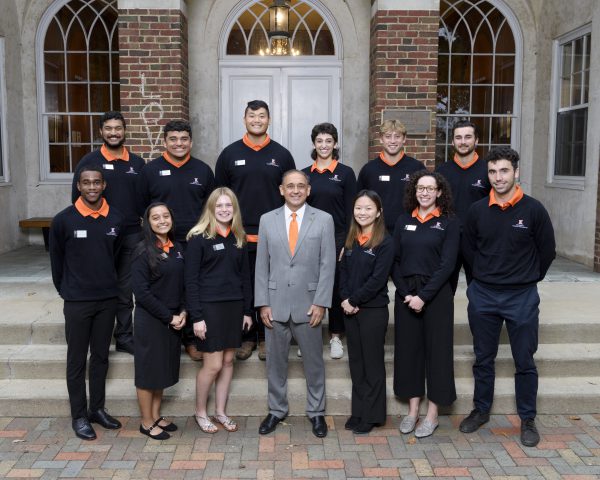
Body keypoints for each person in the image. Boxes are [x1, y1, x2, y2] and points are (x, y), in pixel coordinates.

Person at [459, 147, 556, 448]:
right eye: (492, 172)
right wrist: (481, 281)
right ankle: (481, 410)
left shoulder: (533, 210)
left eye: (503, 171)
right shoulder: (477, 210)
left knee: (524, 360)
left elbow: (547, 251)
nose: (498, 177)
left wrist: (526, 278)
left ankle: (527, 418)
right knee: (483, 357)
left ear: (516, 172)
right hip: (484, 295)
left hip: (521, 297)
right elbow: (469, 250)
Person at [254, 169, 335, 438]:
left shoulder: (323, 220)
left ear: (308, 190)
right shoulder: (267, 220)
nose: (296, 190)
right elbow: (261, 265)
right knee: (275, 363)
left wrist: (322, 302)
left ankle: (316, 412)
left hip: (309, 304)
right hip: (274, 304)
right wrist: (262, 303)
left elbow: (327, 265)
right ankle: (276, 410)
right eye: (291, 186)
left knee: (314, 363)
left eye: (301, 186)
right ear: (281, 190)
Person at [215, 100, 296, 362]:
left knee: (270, 288)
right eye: (252, 116)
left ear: (269, 120)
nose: (257, 120)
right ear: (244, 118)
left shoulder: (282, 155)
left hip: (274, 235)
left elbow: (292, 195)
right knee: (243, 286)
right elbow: (220, 196)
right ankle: (246, 338)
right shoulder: (229, 154)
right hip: (238, 235)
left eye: (262, 116)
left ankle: (266, 337)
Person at [49, 166, 123, 440]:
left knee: (101, 357)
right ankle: (79, 415)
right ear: (78, 186)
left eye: (96, 182)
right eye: (86, 183)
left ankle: (97, 409)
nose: (92, 187)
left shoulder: (115, 218)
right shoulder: (63, 221)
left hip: (107, 299)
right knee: (77, 360)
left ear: (103, 185)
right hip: (78, 300)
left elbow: (114, 256)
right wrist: (68, 290)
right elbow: (57, 263)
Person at [139, 120, 215, 361]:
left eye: (184, 139)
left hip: (195, 241)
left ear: (191, 142)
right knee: (167, 288)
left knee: (193, 287)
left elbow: (210, 208)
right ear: (164, 142)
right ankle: (171, 333)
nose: (179, 143)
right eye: (173, 139)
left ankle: (192, 339)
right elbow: (142, 207)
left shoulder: (203, 170)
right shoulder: (150, 171)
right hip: (162, 241)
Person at [71, 111, 146, 355]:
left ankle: (124, 335)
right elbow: (77, 201)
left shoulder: (137, 163)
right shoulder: (88, 162)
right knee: (99, 284)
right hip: (98, 237)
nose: (114, 132)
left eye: (118, 128)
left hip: (131, 236)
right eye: (109, 128)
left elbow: (144, 200)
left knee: (125, 288)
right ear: (101, 132)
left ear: (125, 131)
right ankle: (96, 334)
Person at [392, 171, 459, 438]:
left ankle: (432, 415)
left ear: (440, 192)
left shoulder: (449, 223)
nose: (425, 193)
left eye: (430, 189)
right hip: (407, 293)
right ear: (414, 191)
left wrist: (424, 296)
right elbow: (393, 260)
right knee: (409, 352)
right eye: (420, 188)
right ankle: (412, 411)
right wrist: (407, 293)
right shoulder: (402, 221)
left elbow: (448, 265)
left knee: (437, 352)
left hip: (437, 295)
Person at [185, 188, 253, 434]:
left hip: (234, 307)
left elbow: (245, 277)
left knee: (227, 361)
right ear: (211, 208)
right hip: (209, 308)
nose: (224, 209)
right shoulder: (198, 238)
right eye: (220, 205)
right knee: (212, 365)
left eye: (229, 205)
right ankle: (200, 412)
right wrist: (197, 317)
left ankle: (220, 412)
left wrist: (247, 311)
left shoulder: (239, 237)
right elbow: (190, 281)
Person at [339, 190, 394, 434]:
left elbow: (378, 279)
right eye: (359, 208)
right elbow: (343, 273)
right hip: (350, 309)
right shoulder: (351, 239)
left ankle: (372, 416)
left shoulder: (385, 242)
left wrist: (354, 299)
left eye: (369, 208)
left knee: (372, 364)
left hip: (373, 310)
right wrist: (344, 298)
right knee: (356, 363)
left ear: (379, 212)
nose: (363, 212)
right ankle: (358, 410)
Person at [302, 123, 356, 360]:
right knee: (309, 286)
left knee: (333, 288)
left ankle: (335, 336)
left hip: (337, 237)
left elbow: (352, 211)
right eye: (320, 141)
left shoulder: (345, 173)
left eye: (328, 141)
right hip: (308, 237)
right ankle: (308, 337)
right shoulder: (305, 174)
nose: (324, 145)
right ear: (314, 144)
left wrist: (347, 242)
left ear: (335, 144)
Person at [131, 203, 186, 440]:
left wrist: (183, 311)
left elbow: (183, 283)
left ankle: (155, 415)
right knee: (147, 373)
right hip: (152, 321)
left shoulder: (177, 248)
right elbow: (141, 293)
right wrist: (169, 316)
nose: (162, 220)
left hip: (174, 318)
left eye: (166, 215)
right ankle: (146, 422)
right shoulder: (143, 251)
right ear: (147, 222)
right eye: (156, 217)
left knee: (162, 369)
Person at [435, 120, 490, 292]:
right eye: (458, 137)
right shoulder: (442, 172)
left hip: (478, 239)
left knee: (479, 287)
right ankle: (443, 319)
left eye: (468, 137)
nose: (463, 141)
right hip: (449, 238)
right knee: (444, 287)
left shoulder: (487, 170)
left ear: (477, 141)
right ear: (452, 142)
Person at [357, 120, 426, 234]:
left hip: (409, 231)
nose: (392, 141)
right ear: (381, 139)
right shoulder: (369, 170)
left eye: (397, 136)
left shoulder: (416, 168)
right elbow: (358, 203)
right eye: (388, 136)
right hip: (375, 232)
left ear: (404, 139)